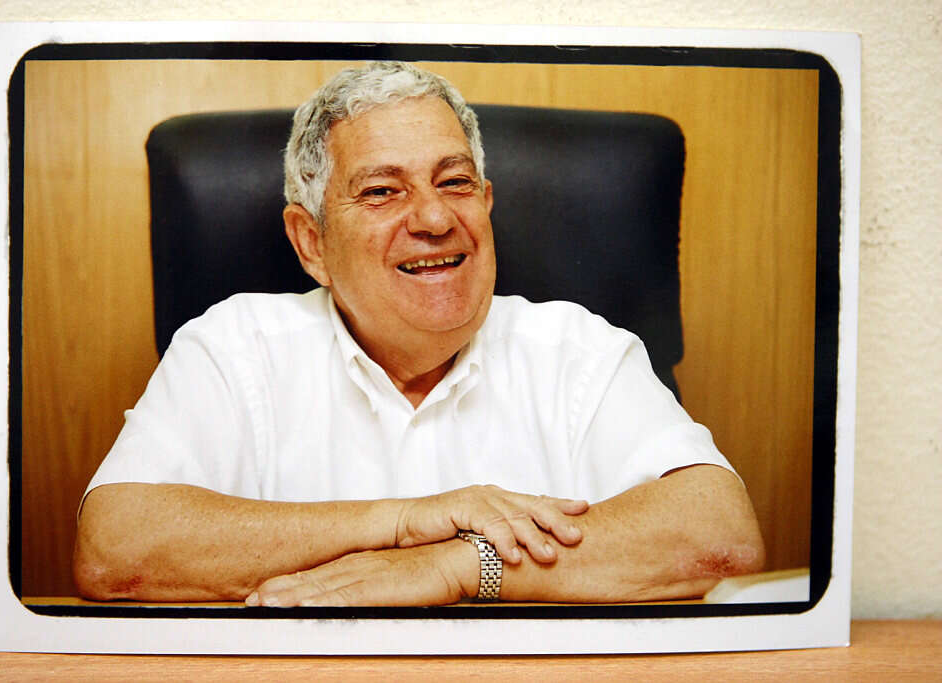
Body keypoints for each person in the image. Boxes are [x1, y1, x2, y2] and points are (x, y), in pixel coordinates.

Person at [73, 62, 764, 607]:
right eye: (382, 191)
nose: (434, 218)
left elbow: (720, 536)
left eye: (454, 182)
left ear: (485, 203)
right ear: (311, 242)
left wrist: (457, 566)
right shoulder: (233, 347)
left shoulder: (579, 351)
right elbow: (114, 550)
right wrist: (405, 521)